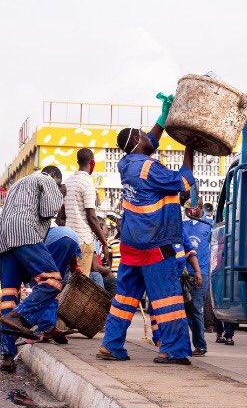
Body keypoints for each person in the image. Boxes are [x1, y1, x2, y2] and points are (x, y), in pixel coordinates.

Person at [99, 94, 198, 366]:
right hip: (155, 244)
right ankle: (173, 350)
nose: (149, 137)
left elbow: (149, 142)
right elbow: (183, 183)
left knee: (125, 298)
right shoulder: (150, 169)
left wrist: (162, 118)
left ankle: (111, 345)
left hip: (132, 244)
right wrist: (190, 147)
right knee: (167, 299)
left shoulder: (126, 164)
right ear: (138, 143)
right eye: (144, 135)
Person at [0, 167, 66, 374]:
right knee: (53, 281)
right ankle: (21, 316)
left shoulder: (19, 183)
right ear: (56, 179)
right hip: (24, 231)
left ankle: (7, 356)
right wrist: (59, 197)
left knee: (9, 296)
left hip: (2, 238)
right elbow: (48, 211)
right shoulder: (49, 181)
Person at [60, 148, 112, 276]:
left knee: (72, 281)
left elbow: (62, 216)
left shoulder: (67, 182)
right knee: (79, 285)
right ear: (92, 162)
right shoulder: (87, 183)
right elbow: (92, 218)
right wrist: (104, 243)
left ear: (78, 162)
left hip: (68, 240)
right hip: (82, 241)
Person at [37, 225, 82, 343]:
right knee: (55, 284)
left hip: (56, 242)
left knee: (46, 285)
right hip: (74, 239)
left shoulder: (38, 238)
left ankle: (46, 326)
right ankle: (48, 324)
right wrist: (76, 271)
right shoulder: (47, 232)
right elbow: (74, 263)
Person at [181, 203, 213, 356]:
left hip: (202, 273)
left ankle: (200, 345)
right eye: (189, 208)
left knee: (196, 308)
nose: (192, 211)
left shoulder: (210, 225)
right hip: (184, 274)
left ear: (201, 208)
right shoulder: (183, 225)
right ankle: (195, 342)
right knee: (187, 311)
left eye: (194, 208)